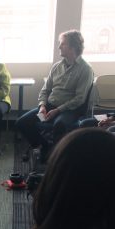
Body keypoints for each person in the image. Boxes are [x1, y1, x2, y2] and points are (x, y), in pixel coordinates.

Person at [15, 30, 93, 161]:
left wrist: (57, 110)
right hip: (50, 106)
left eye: (62, 44)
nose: (59, 47)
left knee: (59, 125)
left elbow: (79, 99)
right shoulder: (57, 66)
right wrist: (42, 106)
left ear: (73, 47)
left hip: (70, 110)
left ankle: (56, 158)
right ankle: (45, 146)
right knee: (21, 122)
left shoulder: (85, 69)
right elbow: (45, 90)